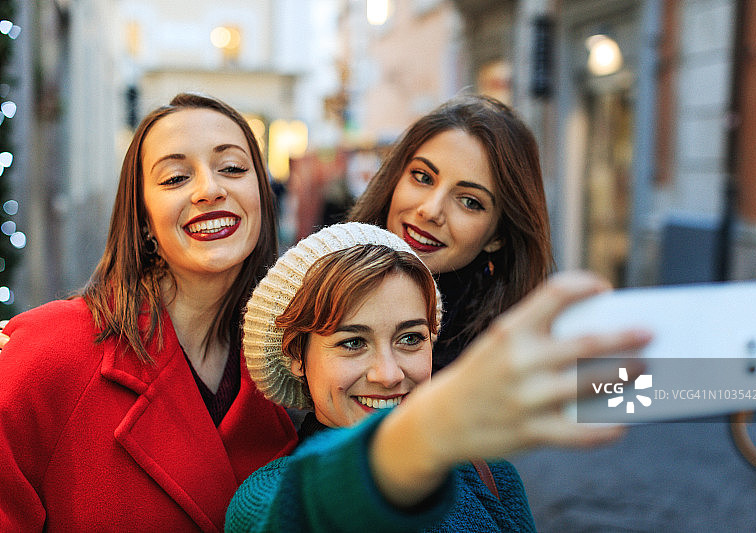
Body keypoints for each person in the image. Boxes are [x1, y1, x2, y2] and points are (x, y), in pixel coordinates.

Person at [225, 222, 651, 532]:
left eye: (410, 338)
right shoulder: (262, 499)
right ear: (296, 356)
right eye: (352, 343)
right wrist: (427, 432)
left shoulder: (491, 475)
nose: (389, 374)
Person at [0, 93, 298, 532]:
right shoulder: (48, 353)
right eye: (176, 177)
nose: (210, 189)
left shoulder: (293, 365)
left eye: (232, 168)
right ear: (142, 217)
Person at [348, 95, 553, 372]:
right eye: (423, 177)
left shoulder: (508, 360)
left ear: (498, 236)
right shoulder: (316, 291)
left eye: (469, 201)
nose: (431, 210)